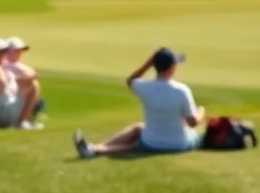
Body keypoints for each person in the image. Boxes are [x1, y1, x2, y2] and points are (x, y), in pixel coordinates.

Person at [73, 48, 204, 158]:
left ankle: (94, 149)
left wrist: (148, 64)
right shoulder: (182, 90)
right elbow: (192, 123)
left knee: (137, 136)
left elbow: (131, 80)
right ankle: (95, 149)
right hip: (180, 145)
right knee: (137, 138)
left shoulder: (145, 87)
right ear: (172, 67)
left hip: (150, 143)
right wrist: (201, 112)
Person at [4, 37, 44, 129]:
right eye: (17, 51)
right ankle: (23, 120)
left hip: (12, 98)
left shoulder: (6, 64)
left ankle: (26, 119)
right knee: (34, 85)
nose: (20, 54)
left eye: (21, 51)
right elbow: (33, 74)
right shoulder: (9, 65)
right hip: (9, 100)